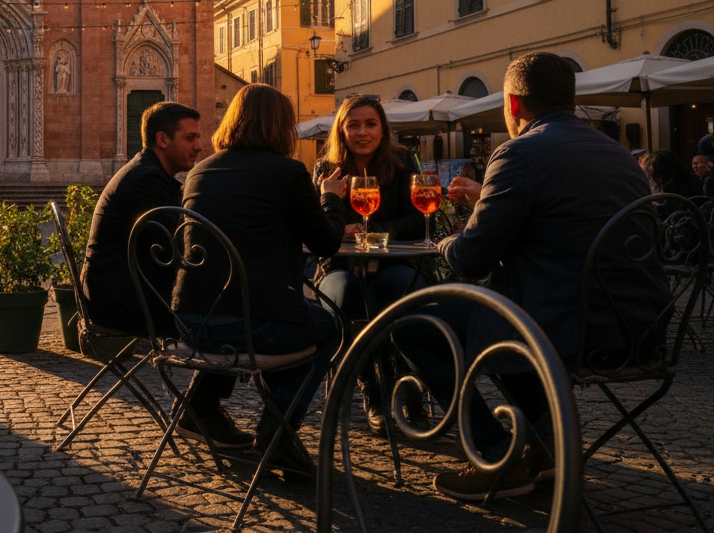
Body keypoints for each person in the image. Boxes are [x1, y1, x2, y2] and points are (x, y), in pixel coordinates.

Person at [398, 52, 670, 501]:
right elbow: (562, 229)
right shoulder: (619, 155)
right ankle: (542, 446)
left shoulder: (518, 153)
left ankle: (500, 454)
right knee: (503, 312)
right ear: (570, 98)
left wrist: (442, 242)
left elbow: (469, 261)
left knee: (413, 325)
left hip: (565, 332)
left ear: (513, 103)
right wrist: (483, 207)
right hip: (640, 328)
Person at [175, 84, 345, 462]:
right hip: (250, 327)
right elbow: (326, 245)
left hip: (188, 321)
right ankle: (277, 431)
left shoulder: (199, 172)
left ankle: (198, 406)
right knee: (329, 326)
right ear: (280, 127)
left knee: (242, 304)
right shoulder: (287, 173)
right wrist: (330, 197)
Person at [82, 102, 246, 448]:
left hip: (120, 292)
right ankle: (200, 409)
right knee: (235, 316)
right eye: (190, 138)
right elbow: (178, 250)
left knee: (226, 306)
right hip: (121, 303)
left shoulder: (151, 174)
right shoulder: (147, 181)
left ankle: (201, 407)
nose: (199, 146)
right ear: (162, 139)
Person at [311, 95, 424, 432]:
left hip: (393, 262)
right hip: (339, 266)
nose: (363, 132)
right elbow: (314, 227)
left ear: (382, 128)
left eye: (371, 124)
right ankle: (372, 389)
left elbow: (418, 220)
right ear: (341, 131)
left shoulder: (403, 161)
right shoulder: (325, 169)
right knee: (345, 299)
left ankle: (409, 384)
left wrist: (373, 231)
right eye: (354, 125)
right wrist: (336, 226)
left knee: (399, 294)